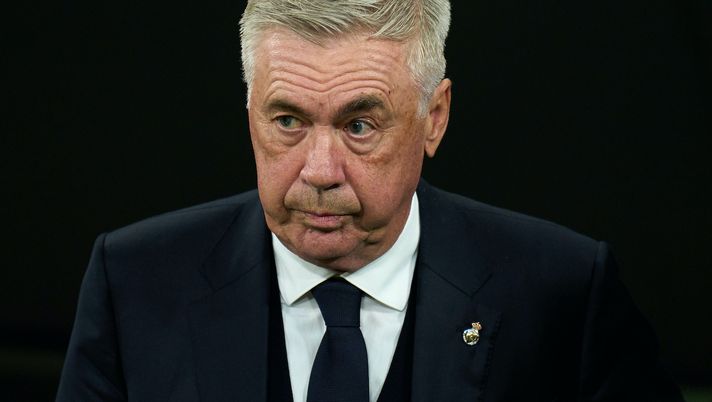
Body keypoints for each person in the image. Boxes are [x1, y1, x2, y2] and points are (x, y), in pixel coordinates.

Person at [57, 1, 684, 401]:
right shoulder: (134, 282)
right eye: (287, 121)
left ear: (434, 118)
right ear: (250, 115)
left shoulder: (564, 293)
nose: (319, 172)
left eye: (359, 126)